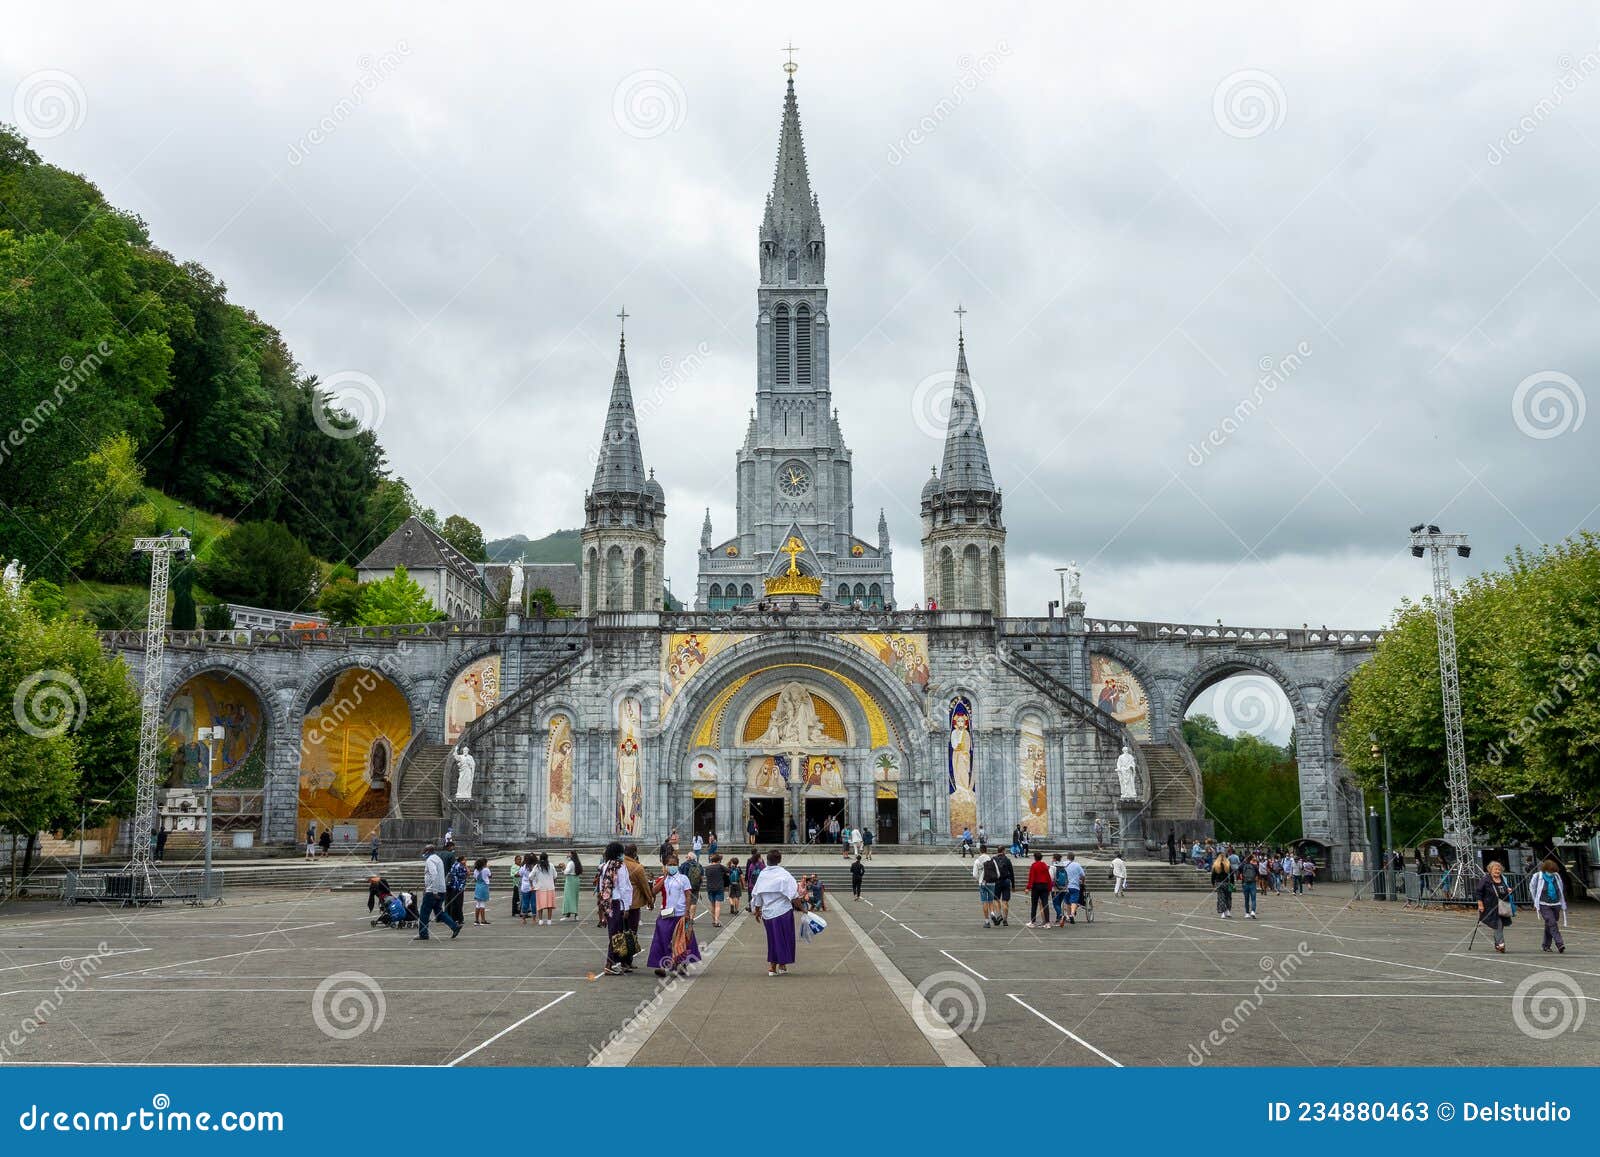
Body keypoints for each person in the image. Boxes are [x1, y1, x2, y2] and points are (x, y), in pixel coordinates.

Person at [647, 855, 702, 977]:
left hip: (680, 913)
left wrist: (687, 912)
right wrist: (664, 878)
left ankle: (682, 964)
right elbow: (653, 891)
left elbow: (688, 895)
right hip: (666, 913)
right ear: (666, 866)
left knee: (682, 940)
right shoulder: (663, 879)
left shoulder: (683, 878)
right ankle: (663, 965)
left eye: (674, 864)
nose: (672, 867)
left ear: (678, 864)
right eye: (669, 864)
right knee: (663, 939)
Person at [750, 848, 800, 977]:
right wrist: (804, 910)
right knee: (785, 938)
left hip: (768, 913)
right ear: (780, 860)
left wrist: (757, 910)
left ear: (767, 860)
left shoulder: (763, 874)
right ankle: (774, 966)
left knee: (773, 939)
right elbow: (794, 895)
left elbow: (757, 894)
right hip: (783, 911)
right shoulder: (784, 875)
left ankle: (779, 965)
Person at [597, 842, 635, 976]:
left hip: (607, 903)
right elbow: (624, 888)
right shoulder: (620, 866)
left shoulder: (604, 866)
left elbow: (601, 887)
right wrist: (626, 907)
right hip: (618, 902)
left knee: (613, 933)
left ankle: (616, 962)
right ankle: (609, 963)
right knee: (616, 935)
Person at [415, 844, 461, 941]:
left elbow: (434, 874)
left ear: (428, 851)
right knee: (439, 912)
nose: (423, 853)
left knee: (424, 912)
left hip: (433, 892)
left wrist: (433, 891)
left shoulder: (430, 860)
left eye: (424, 851)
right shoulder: (438, 859)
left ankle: (423, 934)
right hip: (441, 889)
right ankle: (454, 926)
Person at [1529, 857, 1567, 954]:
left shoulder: (1556, 876)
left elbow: (1560, 888)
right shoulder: (1537, 876)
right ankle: (1560, 943)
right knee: (1552, 923)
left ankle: (1546, 945)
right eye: (1550, 871)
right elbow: (1532, 888)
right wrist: (1535, 902)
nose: (1552, 872)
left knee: (1549, 924)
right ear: (1545, 869)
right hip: (1543, 904)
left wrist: (1561, 902)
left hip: (1556, 903)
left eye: (1553, 871)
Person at [624, 843, 653, 963]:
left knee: (620, 932)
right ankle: (628, 960)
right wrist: (650, 900)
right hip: (633, 903)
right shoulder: (637, 867)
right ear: (635, 853)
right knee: (631, 933)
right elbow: (644, 886)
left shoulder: (619, 864)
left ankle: (618, 959)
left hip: (619, 903)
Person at [1476, 859, 1514, 953]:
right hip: (1490, 906)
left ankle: (1497, 944)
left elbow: (1504, 889)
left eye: (1499, 870)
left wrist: (1508, 890)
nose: (1497, 871)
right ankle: (1501, 944)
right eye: (1495, 869)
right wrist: (1480, 904)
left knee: (1501, 925)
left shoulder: (1502, 878)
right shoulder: (1486, 879)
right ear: (1490, 870)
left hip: (1503, 905)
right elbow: (1479, 892)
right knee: (1498, 925)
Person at [972, 847, 999, 927]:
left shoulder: (977, 861)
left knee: (984, 902)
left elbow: (975, 875)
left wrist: (979, 879)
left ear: (980, 851)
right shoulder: (992, 860)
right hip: (992, 883)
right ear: (986, 851)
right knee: (991, 901)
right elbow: (998, 874)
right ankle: (993, 913)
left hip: (982, 884)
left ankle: (987, 922)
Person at [1025, 851, 1052, 927]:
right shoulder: (1044, 865)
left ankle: (1032, 922)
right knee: (1045, 904)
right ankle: (1047, 922)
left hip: (1036, 886)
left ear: (1034, 858)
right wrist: (1049, 888)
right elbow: (1048, 877)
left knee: (1034, 904)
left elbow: (1031, 877)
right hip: (1045, 886)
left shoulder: (1034, 865)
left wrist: (1028, 888)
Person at [531, 852, 557, 925]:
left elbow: (530, 876)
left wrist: (535, 880)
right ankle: (549, 920)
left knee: (540, 904)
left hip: (540, 888)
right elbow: (555, 876)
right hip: (550, 888)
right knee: (549, 905)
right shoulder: (551, 865)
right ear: (547, 858)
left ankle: (540, 920)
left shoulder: (537, 866)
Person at [992, 845, 1014, 926]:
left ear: (997, 851)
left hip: (997, 882)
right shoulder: (1007, 860)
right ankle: (1005, 919)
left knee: (996, 899)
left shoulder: (993, 859)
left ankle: (999, 915)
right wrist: (1013, 885)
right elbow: (1011, 873)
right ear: (1004, 851)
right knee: (1005, 901)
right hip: (1006, 881)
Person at [446, 848, 469, 926]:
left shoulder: (454, 864)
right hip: (459, 886)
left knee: (454, 903)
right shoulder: (461, 866)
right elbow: (468, 873)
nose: (465, 861)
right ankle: (460, 918)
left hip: (453, 886)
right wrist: (465, 866)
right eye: (464, 860)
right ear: (461, 860)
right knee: (459, 903)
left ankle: (453, 918)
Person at [704, 853, 728, 927]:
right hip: (719, 888)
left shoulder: (707, 868)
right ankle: (717, 921)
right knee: (718, 906)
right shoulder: (720, 866)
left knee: (712, 906)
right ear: (719, 860)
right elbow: (728, 871)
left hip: (710, 888)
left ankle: (713, 920)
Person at [1062, 852, 1086, 924]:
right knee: (1074, 901)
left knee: (1067, 902)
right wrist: (1083, 882)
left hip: (1065, 886)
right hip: (1075, 886)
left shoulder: (1063, 864)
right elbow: (1083, 875)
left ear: (1067, 857)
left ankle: (1069, 916)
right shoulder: (1077, 865)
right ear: (1073, 858)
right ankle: (1072, 914)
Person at [560, 849, 584, 920]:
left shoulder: (570, 863)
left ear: (571, 855)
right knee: (574, 897)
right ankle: (576, 914)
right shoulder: (576, 862)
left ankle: (568, 914)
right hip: (576, 879)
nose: (567, 854)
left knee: (568, 897)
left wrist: (562, 868)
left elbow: (566, 872)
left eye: (569, 853)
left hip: (570, 880)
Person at [1049, 854, 1072, 926]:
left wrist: (1050, 887)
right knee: (1059, 903)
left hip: (1055, 889)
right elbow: (1067, 878)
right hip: (1064, 889)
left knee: (1055, 903)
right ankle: (1058, 918)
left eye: (1052, 858)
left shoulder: (1053, 867)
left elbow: (1051, 878)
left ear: (1055, 859)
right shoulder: (1063, 867)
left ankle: (1061, 915)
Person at [1212, 852, 1234, 919]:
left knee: (1221, 898)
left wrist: (1213, 883)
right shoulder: (1227, 864)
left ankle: (1223, 913)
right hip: (1227, 883)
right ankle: (1228, 910)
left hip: (1219, 883)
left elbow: (1213, 876)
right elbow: (1232, 875)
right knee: (1228, 897)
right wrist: (1232, 883)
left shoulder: (1216, 865)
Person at [472, 858, 492, 925]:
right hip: (484, 887)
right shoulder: (486, 869)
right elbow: (490, 876)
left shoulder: (475, 870)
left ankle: (476, 920)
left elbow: (475, 879)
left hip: (478, 887)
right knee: (482, 904)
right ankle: (483, 920)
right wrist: (487, 868)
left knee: (478, 904)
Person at [517, 852, 535, 926]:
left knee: (525, 903)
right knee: (533, 903)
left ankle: (524, 919)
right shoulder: (535, 866)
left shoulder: (523, 866)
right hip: (533, 886)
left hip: (525, 886)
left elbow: (519, 874)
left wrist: (516, 874)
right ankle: (534, 919)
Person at [1239, 854, 1259, 918]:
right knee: (1253, 898)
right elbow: (1258, 874)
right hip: (1252, 883)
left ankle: (1247, 913)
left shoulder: (1243, 865)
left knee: (1246, 899)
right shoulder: (1254, 866)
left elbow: (1238, 870)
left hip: (1245, 883)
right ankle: (1253, 911)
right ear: (1251, 859)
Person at [510, 854, 524, 919]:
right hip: (516, 885)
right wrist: (519, 873)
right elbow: (513, 874)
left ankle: (521, 911)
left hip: (522, 885)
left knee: (521, 899)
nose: (519, 861)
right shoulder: (514, 866)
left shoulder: (522, 866)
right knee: (515, 899)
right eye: (518, 859)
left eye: (520, 859)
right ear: (515, 860)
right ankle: (514, 912)